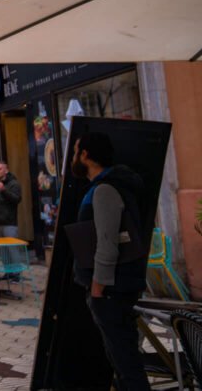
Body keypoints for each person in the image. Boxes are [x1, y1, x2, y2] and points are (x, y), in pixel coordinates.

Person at [71, 132, 150, 391]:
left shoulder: (105, 189)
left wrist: (98, 287)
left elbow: (108, 242)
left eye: (75, 152)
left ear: (85, 155)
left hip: (111, 289)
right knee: (120, 359)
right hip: (115, 287)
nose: (73, 158)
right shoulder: (104, 186)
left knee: (126, 363)